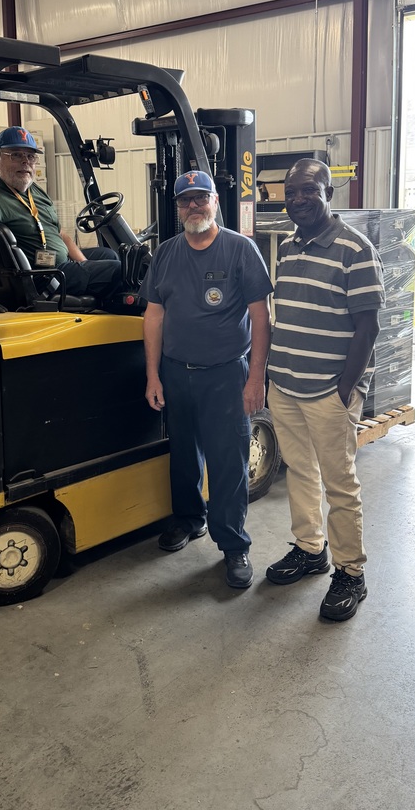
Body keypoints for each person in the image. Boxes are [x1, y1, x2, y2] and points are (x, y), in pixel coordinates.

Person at [139, 169, 273, 589]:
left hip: (225, 374)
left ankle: (234, 546)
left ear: (215, 201)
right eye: (185, 201)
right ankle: (189, 519)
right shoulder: (165, 254)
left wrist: (255, 378)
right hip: (177, 373)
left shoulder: (240, 249)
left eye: (201, 198)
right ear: (177, 208)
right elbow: (154, 315)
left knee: (228, 462)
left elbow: (260, 316)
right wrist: (152, 376)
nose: (194, 206)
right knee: (183, 454)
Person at [266, 158, 385, 622]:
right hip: (287, 385)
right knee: (299, 471)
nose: (297, 200)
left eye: (308, 192)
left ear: (329, 194)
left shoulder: (355, 248)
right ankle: (310, 548)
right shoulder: (289, 247)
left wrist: (344, 388)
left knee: (340, 483)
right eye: (290, 193)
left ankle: (351, 573)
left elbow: (368, 325)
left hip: (327, 393)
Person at [0, 126, 122, 303]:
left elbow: (60, 234)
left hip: (58, 265)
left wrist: (83, 264)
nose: (25, 161)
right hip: (42, 278)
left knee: (111, 255)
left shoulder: (34, 191)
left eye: (30, 156)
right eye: (16, 155)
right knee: (120, 271)